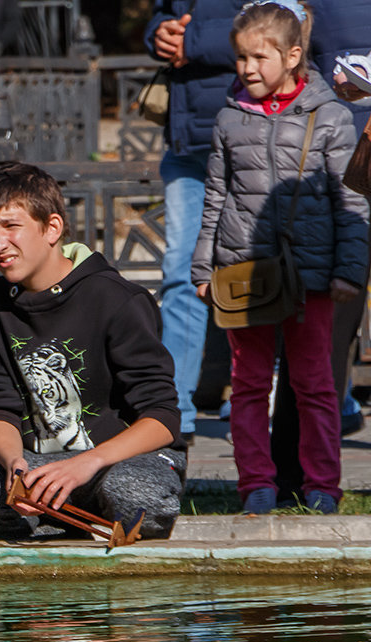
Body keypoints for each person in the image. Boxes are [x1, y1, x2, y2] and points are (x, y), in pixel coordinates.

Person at [0, 163, 186, 543]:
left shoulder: (118, 299)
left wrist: (86, 464)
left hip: (119, 460)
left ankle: (63, 516)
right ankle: (65, 517)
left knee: (137, 497)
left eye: (11, 226)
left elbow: (163, 418)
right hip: (39, 464)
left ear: (52, 228)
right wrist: (14, 465)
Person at [191, 0, 368, 514]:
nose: (246, 69)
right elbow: (216, 198)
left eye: (258, 58)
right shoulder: (229, 119)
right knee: (246, 386)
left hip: (312, 276)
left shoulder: (332, 115)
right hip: (245, 273)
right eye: (241, 58)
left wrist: (348, 271)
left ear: (293, 56)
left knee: (314, 385)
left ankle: (322, 487)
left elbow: (351, 199)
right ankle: (256, 486)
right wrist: (204, 267)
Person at [145, 0, 248, 446]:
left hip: (253, 131)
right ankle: (174, 410)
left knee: (257, 274)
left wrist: (194, 41)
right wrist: (158, 33)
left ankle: (253, 400)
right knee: (180, 275)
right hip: (187, 142)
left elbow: (292, 25)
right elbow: (162, 13)